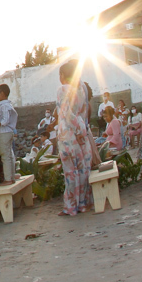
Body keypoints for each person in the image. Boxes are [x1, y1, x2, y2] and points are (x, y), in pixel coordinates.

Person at [56, 60, 96, 216]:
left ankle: (71, 207)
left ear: (62, 75)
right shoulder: (82, 89)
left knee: (70, 172)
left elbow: (66, 114)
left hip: (68, 135)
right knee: (83, 170)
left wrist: (76, 132)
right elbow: (83, 114)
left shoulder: (63, 90)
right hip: (82, 133)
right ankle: (84, 203)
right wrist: (81, 132)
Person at [0, 83, 18, 184]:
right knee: (9, 155)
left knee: (5, 156)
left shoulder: (4, 106)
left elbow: (5, 120)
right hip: (8, 132)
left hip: (4, 132)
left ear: (2, 94)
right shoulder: (8, 105)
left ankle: (8, 179)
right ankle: (11, 176)